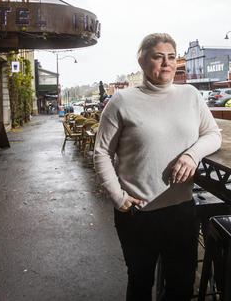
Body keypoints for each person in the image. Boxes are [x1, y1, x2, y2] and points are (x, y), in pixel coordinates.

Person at [93, 33, 222, 300]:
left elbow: (213, 134)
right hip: (138, 212)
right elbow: (102, 152)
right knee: (140, 283)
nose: (166, 64)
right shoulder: (121, 101)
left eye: (171, 57)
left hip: (181, 210)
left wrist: (192, 156)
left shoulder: (190, 95)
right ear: (142, 61)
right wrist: (118, 197)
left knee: (181, 286)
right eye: (158, 57)